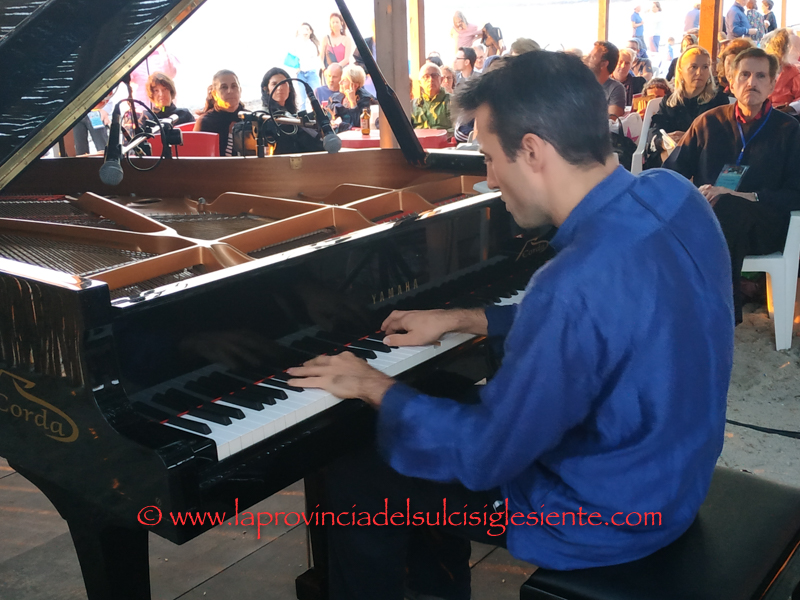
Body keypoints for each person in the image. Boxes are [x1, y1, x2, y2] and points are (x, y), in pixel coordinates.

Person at [287, 49, 734, 600]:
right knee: (438, 405)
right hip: (676, 477)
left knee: (359, 465)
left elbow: (485, 456)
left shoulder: (569, 284)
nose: (490, 178)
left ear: (533, 150)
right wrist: (463, 317)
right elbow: (611, 319)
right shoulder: (675, 194)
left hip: (604, 517)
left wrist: (373, 385)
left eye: (490, 157)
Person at [665, 47, 800, 323]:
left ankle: (717, 316)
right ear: (731, 79)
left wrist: (744, 196)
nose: (752, 82)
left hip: (766, 228)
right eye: (745, 75)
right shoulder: (708, 122)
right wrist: (696, 196)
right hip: (707, 222)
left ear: (773, 84)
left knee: (727, 205)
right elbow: (671, 175)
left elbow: (795, 194)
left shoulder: (790, 131)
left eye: (761, 76)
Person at [648, 46, 728, 166]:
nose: (699, 72)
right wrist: (663, 142)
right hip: (671, 152)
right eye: (693, 67)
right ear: (680, 71)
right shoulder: (669, 101)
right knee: (665, 154)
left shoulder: (718, 100)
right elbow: (656, 129)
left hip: (704, 156)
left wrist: (687, 139)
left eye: (705, 67)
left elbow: (720, 136)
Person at [194, 69, 244, 156]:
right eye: (224, 87)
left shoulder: (251, 119)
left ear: (240, 90)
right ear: (214, 94)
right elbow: (196, 159)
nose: (230, 91)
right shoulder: (205, 122)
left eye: (234, 86)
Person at [585, 41, 626, 117]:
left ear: (604, 64)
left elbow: (613, 119)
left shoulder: (615, 88)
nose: (587, 59)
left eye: (592, 57)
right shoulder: (581, 84)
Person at [328, 64, 376, 130]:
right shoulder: (334, 98)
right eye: (341, 79)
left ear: (355, 85)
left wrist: (353, 102)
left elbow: (360, 125)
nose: (340, 82)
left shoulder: (366, 100)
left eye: (344, 80)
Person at [411, 63, 453, 136]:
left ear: (441, 79)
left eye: (434, 76)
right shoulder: (412, 105)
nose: (430, 80)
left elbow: (459, 129)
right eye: (426, 77)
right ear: (420, 82)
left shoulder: (453, 101)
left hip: (444, 142)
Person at [289, 23, 322, 112]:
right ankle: (302, 117)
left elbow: (314, 58)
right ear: (299, 31)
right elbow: (291, 58)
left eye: (307, 29)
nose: (305, 31)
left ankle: (319, 114)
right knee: (301, 99)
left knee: (317, 95)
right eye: (303, 29)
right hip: (300, 74)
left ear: (311, 31)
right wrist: (296, 68)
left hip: (312, 73)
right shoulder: (295, 44)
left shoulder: (313, 44)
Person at [765, 29, 800, 108]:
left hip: (785, 113)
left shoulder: (793, 73)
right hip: (762, 111)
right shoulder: (762, 69)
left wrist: (789, 108)